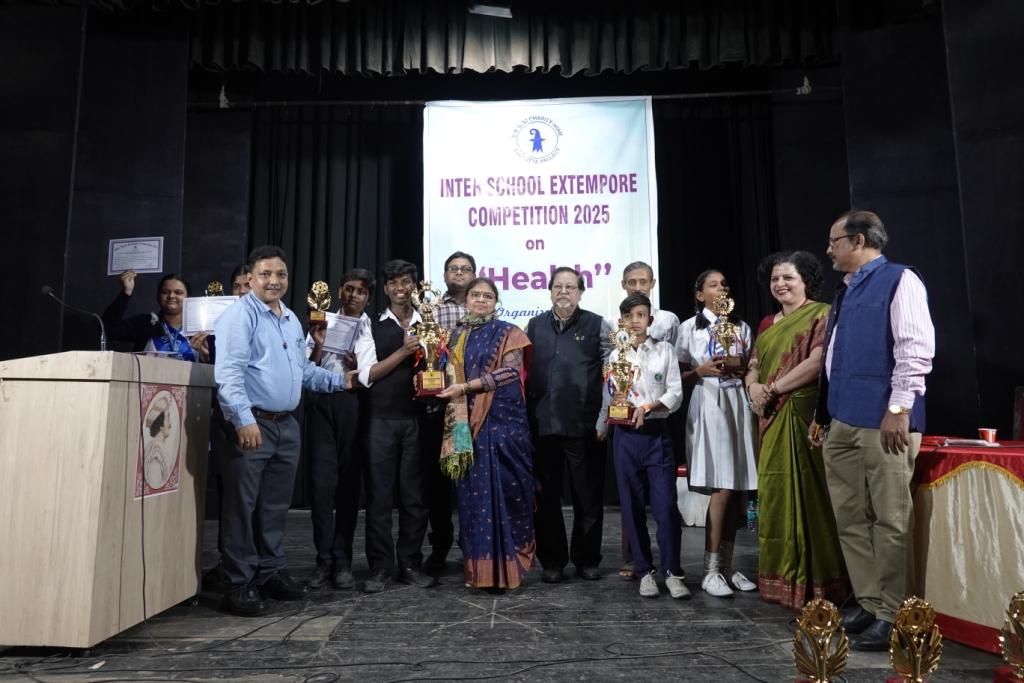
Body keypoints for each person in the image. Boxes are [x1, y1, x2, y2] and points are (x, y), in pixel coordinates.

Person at [809, 210, 934, 651]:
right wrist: (823, 413)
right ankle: (869, 601)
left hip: (884, 423)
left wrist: (899, 408)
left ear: (858, 240)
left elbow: (915, 349)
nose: (829, 250)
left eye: (834, 241)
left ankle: (894, 613)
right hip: (841, 419)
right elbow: (835, 356)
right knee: (849, 518)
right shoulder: (846, 289)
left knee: (890, 519)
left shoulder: (901, 280)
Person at [213, 245, 353, 617]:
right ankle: (238, 583)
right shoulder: (239, 316)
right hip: (252, 423)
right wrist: (242, 419)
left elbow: (302, 371)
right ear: (251, 278)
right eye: (265, 274)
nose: (274, 281)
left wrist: (341, 380)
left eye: (280, 274)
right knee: (242, 507)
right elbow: (228, 374)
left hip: (285, 425)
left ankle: (270, 572)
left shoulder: (289, 318)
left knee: (274, 505)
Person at [744, 251, 849, 609]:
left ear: (806, 281)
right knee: (775, 495)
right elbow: (753, 365)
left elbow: (818, 363)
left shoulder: (822, 314)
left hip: (803, 416)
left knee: (811, 495)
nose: (780, 284)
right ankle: (780, 581)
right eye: (775, 278)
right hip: (769, 417)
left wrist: (772, 389)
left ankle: (819, 584)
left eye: (788, 277)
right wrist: (753, 387)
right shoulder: (767, 323)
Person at [436, 277, 535, 590]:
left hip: (504, 425)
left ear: (496, 301)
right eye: (475, 295)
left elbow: (509, 373)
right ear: (466, 300)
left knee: (508, 492)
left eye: (488, 296)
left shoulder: (509, 332)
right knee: (472, 497)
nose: (481, 300)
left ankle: (509, 568)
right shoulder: (455, 336)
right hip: (465, 426)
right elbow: (443, 373)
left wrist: (466, 387)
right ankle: (478, 571)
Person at [597, 293, 689, 599]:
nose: (635, 321)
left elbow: (675, 392)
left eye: (640, 315)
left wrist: (647, 407)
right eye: (629, 316)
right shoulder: (616, 356)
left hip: (656, 434)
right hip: (625, 437)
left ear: (650, 318)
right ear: (622, 321)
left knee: (665, 507)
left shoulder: (664, 350)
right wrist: (609, 416)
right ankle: (644, 570)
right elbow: (611, 396)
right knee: (631, 506)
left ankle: (673, 571)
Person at [525, 267, 612, 583]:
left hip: (584, 425)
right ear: (550, 291)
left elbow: (613, 375)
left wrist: (604, 417)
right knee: (545, 499)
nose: (564, 292)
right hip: (542, 424)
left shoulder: (598, 325)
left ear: (580, 292)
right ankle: (552, 561)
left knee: (587, 498)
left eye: (570, 287)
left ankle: (587, 559)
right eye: (558, 287)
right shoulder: (533, 326)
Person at [676, 269, 758, 598]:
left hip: (738, 401)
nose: (721, 288)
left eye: (724, 283)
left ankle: (725, 567)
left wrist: (745, 370)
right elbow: (677, 375)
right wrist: (700, 370)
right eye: (713, 284)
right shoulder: (689, 328)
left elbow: (751, 364)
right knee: (722, 486)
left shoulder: (741, 326)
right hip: (709, 400)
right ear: (700, 295)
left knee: (736, 487)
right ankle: (710, 570)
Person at [360, 259, 434, 594]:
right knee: (379, 498)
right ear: (386, 288)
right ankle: (380, 567)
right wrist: (404, 351)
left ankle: (410, 564)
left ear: (415, 286)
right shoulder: (371, 324)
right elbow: (368, 375)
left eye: (406, 282)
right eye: (393, 283)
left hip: (417, 419)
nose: (400, 288)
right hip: (380, 421)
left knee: (414, 497)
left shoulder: (428, 323)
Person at [304, 268, 377, 591]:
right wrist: (319, 344)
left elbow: (370, 374)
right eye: (349, 289)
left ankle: (343, 559)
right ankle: (323, 560)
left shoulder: (371, 328)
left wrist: (355, 367)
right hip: (322, 403)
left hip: (353, 404)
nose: (353, 295)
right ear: (339, 291)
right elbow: (306, 367)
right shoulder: (323, 321)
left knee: (348, 485)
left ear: (368, 298)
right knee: (321, 485)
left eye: (360, 292)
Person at [422, 251, 475, 573]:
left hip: (471, 406)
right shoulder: (431, 310)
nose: (459, 273)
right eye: (453, 268)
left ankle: (473, 547)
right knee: (438, 481)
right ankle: (440, 546)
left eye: (465, 269)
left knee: (468, 476)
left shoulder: (481, 307)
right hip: (439, 405)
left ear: (473, 275)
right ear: (444, 275)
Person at [103, 270, 210, 362]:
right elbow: (108, 330)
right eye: (165, 292)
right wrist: (126, 292)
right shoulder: (145, 323)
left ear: (188, 298)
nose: (171, 296)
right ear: (158, 297)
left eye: (178, 292)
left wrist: (207, 358)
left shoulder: (200, 330)